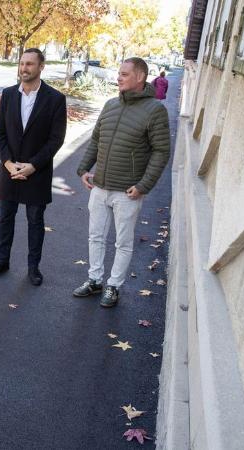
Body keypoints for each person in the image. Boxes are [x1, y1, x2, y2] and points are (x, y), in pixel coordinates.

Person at [73, 57, 171, 307]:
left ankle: (113, 286)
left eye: (124, 74)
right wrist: (84, 168)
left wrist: (143, 186)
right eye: (119, 73)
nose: (119, 77)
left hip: (127, 193)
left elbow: (161, 151)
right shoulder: (110, 105)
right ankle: (95, 280)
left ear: (140, 77)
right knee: (95, 236)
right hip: (100, 186)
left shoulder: (155, 110)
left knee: (123, 243)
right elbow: (96, 139)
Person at [0, 47, 67, 286]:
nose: (24, 68)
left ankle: (33, 268)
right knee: (5, 218)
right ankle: (2, 260)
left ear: (41, 67)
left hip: (37, 172)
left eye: (30, 64)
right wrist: (8, 163)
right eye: (22, 63)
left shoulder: (55, 99)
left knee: (35, 221)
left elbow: (56, 139)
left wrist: (33, 165)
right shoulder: (9, 94)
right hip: (9, 170)